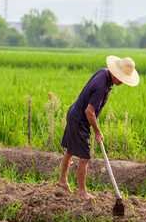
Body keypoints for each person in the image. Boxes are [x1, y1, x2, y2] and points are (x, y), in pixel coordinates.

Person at [57, 55, 139, 200]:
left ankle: (62, 182)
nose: (122, 82)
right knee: (84, 157)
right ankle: (82, 192)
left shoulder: (103, 73)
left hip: (74, 113)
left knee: (70, 150)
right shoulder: (102, 86)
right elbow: (89, 111)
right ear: (116, 74)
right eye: (122, 79)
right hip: (80, 120)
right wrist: (97, 131)